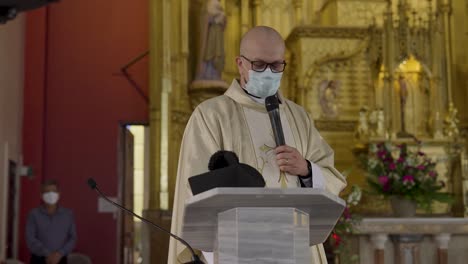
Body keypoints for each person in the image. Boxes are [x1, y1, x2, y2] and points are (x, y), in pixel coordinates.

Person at [168, 26, 347, 264]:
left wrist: (306, 169)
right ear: (240, 63)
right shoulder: (211, 116)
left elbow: (332, 176)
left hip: (296, 247)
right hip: (237, 249)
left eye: (276, 66)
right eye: (260, 65)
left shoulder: (298, 117)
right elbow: (196, 189)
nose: (269, 72)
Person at [26, 180, 76, 264]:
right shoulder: (34, 214)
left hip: (60, 259)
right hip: (39, 259)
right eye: (47, 192)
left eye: (53, 191)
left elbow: (72, 238)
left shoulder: (68, 215)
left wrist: (60, 254)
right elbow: (30, 239)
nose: (50, 194)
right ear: (41, 195)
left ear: (59, 194)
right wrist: (47, 254)